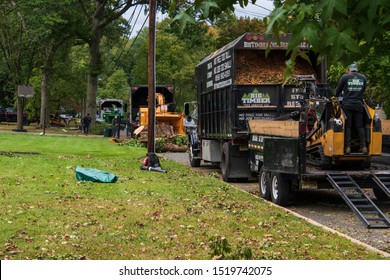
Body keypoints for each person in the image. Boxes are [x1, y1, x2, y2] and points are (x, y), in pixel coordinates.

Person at [335, 63, 367, 154]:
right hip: (358, 104)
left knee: (348, 126)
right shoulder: (363, 78)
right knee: (359, 126)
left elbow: (337, 90)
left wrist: (335, 96)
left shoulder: (345, 77)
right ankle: (364, 146)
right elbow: (363, 90)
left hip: (347, 105)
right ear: (356, 69)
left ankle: (347, 147)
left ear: (349, 69)